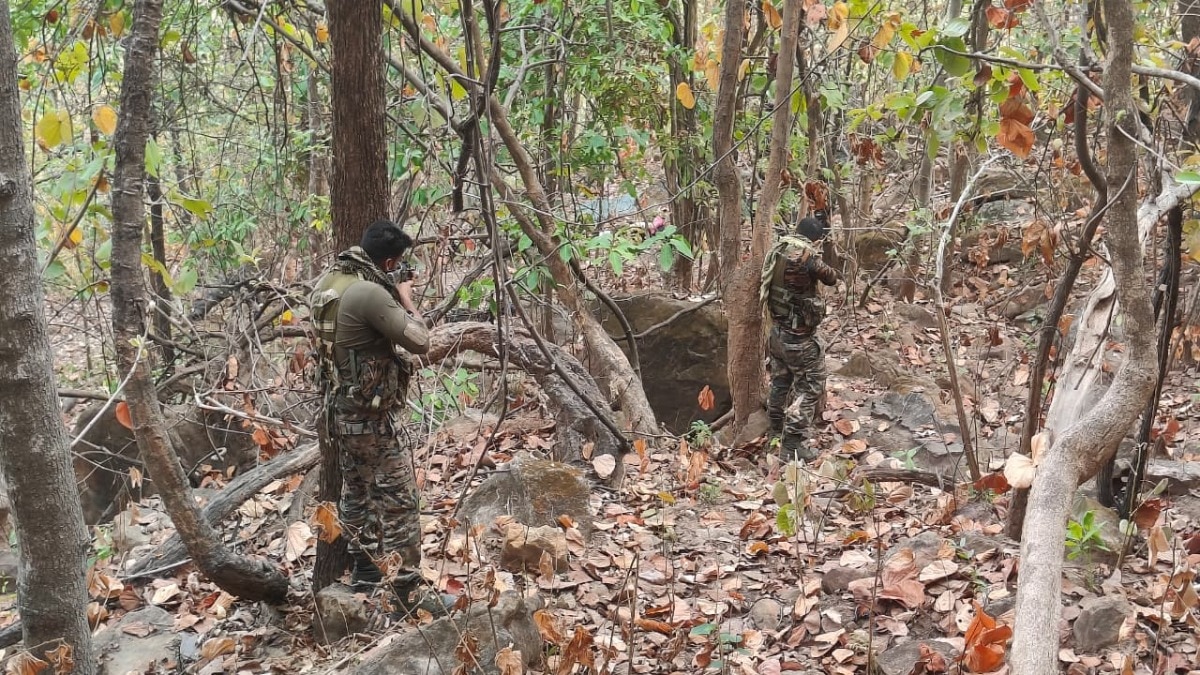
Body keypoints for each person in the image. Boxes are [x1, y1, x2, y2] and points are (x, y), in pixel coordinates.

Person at [309, 220, 450, 616]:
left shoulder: (331, 281)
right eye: (398, 265)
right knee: (399, 498)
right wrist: (405, 299)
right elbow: (420, 341)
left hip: (341, 410)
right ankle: (409, 592)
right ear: (388, 263)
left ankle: (366, 574)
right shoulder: (370, 293)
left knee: (356, 490)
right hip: (372, 417)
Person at [760, 210, 840, 461]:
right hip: (798, 340)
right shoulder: (807, 257)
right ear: (815, 240)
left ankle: (775, 431)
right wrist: (823, 247)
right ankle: (792, 445)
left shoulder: (779, 249)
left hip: (777, 334)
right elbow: (831, 278)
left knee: (780, 384)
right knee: (810, 386)